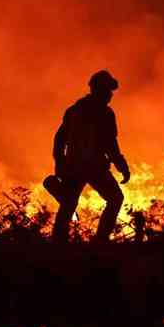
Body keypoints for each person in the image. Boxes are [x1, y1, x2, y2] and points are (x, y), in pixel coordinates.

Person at [50, 70, 130, 243]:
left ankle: (58, 242)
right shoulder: (105, 113)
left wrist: (60, 163)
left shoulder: (74, 110)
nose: (110, 95)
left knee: (68, 204)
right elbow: (111, 145)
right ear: (99, 90)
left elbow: (59, 139)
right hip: (94, 167)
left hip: (74, 166)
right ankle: (100, 241)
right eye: (108, 90)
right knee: (115, 199)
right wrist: (122, 166)